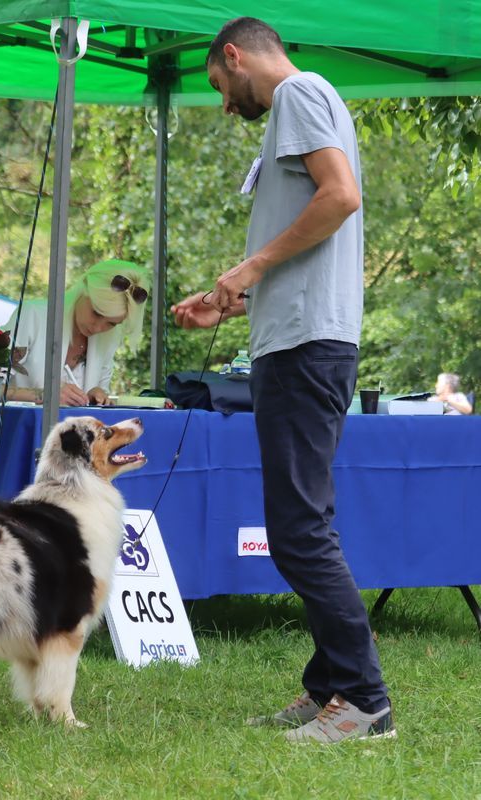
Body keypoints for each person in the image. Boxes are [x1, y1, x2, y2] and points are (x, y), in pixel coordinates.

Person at [172, 18, 394, 743]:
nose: (227, 106)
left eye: (219, 86)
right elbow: (310, 225)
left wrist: (249, 269)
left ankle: (363, 703)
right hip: (294, 342)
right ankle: (330, 686)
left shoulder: (299, 92)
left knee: (297, 530)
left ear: (235, 56)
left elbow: (341, 196)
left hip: (308, 349)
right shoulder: (304, 106)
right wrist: (235, 302)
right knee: (305, 523)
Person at [3, 259, 151, 406]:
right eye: (97, 313)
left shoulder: (109, 338)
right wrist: (43, 395)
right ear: (83, 289)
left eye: (111, 323)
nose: (98, 328)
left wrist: (96, 396)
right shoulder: (32, 316)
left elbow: (95, 405)